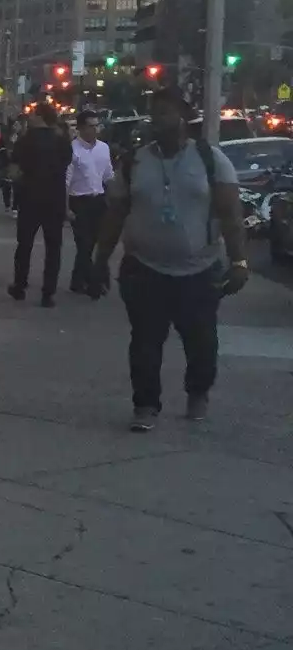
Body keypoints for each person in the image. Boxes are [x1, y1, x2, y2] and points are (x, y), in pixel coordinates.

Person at [88, 86, 249, 431]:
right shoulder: (135, 161)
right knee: (145, 343)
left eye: (164, 112)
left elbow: (231, 215)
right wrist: (100, 260)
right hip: (144, 269)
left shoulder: (210, 160)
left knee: (201, 343)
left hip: (199, 272)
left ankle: (198, 391)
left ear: (184, 117)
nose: (156, 120)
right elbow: (116, 213)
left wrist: (239, 262)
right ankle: (145, 405)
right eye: (154, 113)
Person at [8, 103, 71, 306]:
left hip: (30, 197)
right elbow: (67, 164)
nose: (30, 117)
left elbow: (14, 169)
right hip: (55, 198)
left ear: (40, 116)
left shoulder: (26, 140)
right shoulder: (62, 140)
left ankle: (20, 285)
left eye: (33, 114)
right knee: (53, 247)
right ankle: (48, 292)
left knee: (24, 244)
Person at [66, 110, 114, 295]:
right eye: (90, 126)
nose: (94, 130)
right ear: (81, 128)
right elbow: (66, 181)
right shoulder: (73, 149)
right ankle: (94, 283)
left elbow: (108, 175)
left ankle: (77, 280)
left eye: (96, 126)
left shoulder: (103, 148)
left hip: (98, 200)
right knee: (84, 243)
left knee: (94, 243)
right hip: (79, 200)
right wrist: (66, 208)